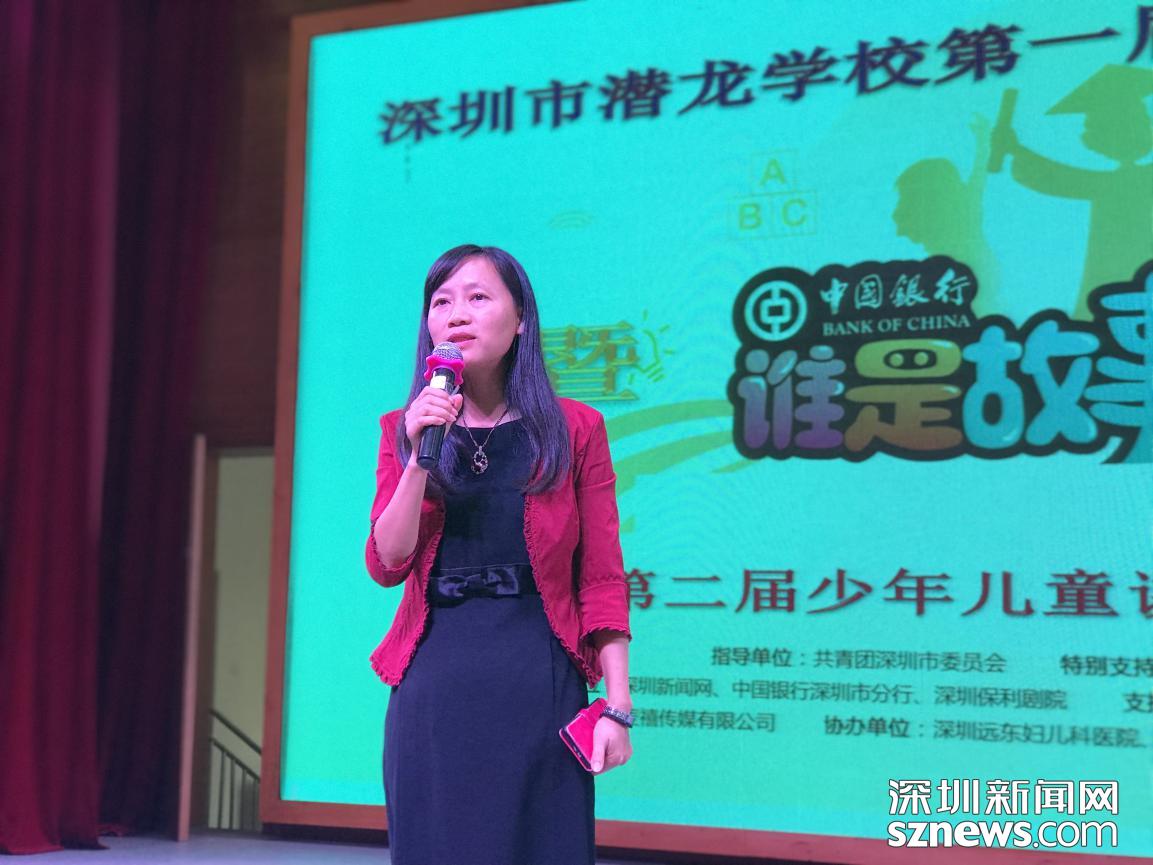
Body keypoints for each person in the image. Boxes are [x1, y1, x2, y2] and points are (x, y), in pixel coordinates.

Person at [365, 244, 634, 865]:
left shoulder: (576, 429)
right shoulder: (403, 427)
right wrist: (417, 456)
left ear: (520, 321)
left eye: (478, 297)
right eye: (441, 302)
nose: (456, 313)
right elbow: (386, 563)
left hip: (539, 678)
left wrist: (617, 707)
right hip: (435, 681)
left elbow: (601, 577)